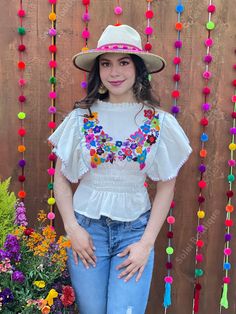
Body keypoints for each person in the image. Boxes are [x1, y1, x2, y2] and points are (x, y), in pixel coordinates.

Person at [48, 24, 193, 314]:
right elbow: (60, 179)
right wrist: (72, 228)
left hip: (135, 234)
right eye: (106, 64)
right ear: (97, 70)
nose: (114, 72)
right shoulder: (80, 118)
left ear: (139, 69)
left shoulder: (159, 122)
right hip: (87, 232)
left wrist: (146, 243)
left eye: (123, 62)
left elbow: (166, 185)